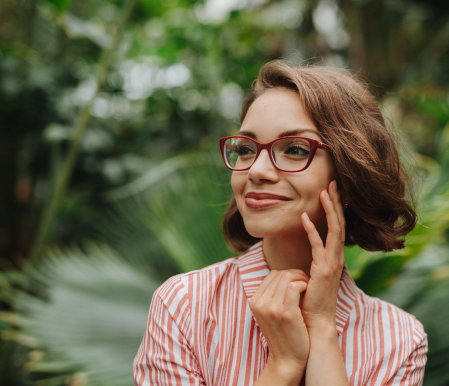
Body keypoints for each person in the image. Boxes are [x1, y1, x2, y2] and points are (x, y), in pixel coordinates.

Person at [133, 61, 428, 386]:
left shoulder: (398, 339)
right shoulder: (185, 306)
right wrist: (283, 366)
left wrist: (322, 329)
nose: (257, 170)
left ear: (348, 177)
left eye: (295, 149)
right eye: (246, 149)